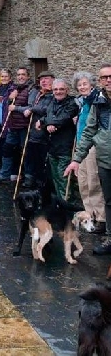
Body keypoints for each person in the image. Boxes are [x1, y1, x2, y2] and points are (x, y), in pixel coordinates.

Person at [64, 63, 111, 255]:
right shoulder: (98, 104)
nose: (108, 80)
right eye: (104, 77)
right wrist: (76, 159)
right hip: (106, 159)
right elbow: (89, 131)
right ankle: (110, 237)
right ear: (99, 81)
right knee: (109, 201)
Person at [38, 78, 80, 204]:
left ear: (67, 90)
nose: (58, 91)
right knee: (55, 179)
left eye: (61, 89)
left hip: (66, 147)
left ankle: (68, 205)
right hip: (52, 147)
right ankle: (61, 204)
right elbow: (48, 115)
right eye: (56, 89)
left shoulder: (72, 103)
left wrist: (45, 122)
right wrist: (46, 121)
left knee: (64, 179)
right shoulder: (52, 101)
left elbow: (64, 118)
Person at [0, 67, 35, 184]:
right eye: (19, 74)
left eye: (23, 75)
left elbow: (31, 107)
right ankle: (4, 173)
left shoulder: (31, 89)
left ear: (28, 76)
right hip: (13, 125)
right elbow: (7, 105)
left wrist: (16, 108)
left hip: (24, 126)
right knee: (7, 149)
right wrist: (10, 99)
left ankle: (28, 177)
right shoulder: (15, 88)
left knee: (25, 151)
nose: (21, 77)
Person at [73, 71, 105, 227]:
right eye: (79, 85)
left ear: (92, 84)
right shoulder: (82, 102)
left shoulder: (97, 100)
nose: (82, 87)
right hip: (81, 144)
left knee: (94, 182)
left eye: (85, 84)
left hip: (92, 146)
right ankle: (89, 216)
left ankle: (101, 218)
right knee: (83, 182)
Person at [23, 70, 54, 188]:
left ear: (53, 80)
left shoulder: (53, 95)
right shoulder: (37, 94)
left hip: (46, 133)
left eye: (47, 79)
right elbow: (29, 107)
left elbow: (46, 109)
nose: (44, 81)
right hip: (33, 133)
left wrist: (32, 109)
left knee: (42, 160)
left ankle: (42, 183)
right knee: (31, 157)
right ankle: (30, 179)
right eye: (41, 80)